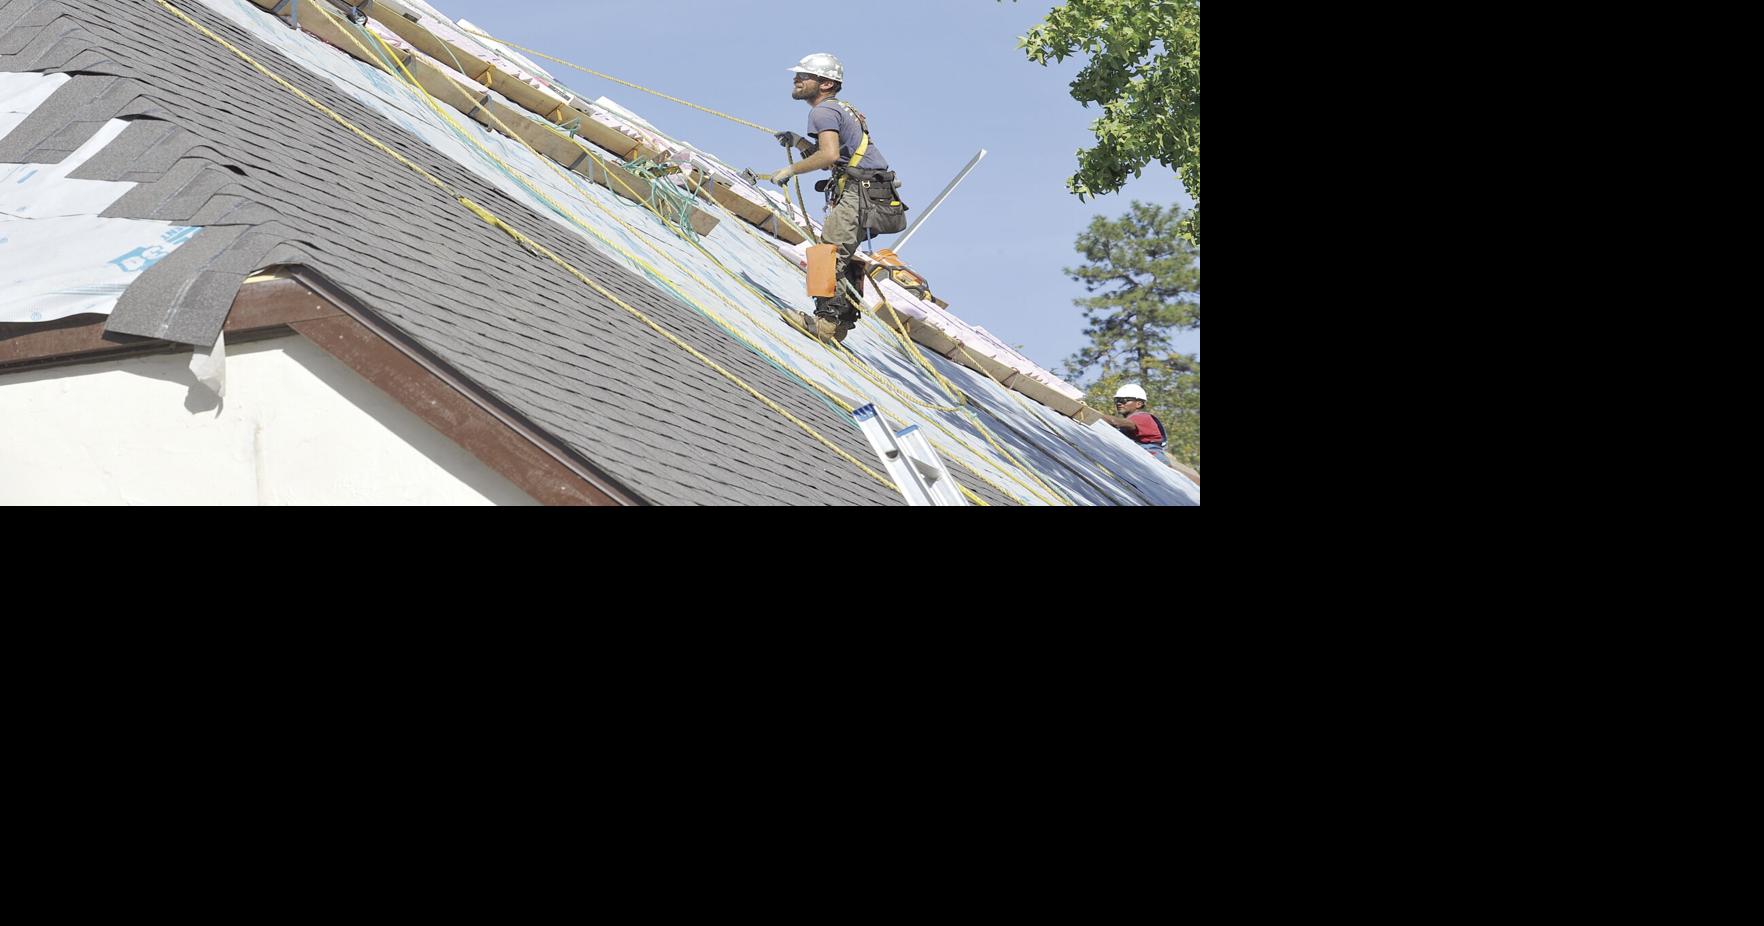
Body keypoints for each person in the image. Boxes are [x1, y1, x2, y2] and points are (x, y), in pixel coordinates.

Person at [767, 53, 903, 342]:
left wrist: (790, 169)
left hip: (859, 192)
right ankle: (840, 325)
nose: (797, 79)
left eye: (805, 76)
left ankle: (825, 324)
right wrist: (799, 141)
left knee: (825, 254)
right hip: (870, 191)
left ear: (826, 83)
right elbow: (834, 159)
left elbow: (827, 155)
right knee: (840, 254)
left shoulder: (822, 112)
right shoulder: (842, 109)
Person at [1097, 383, 1174, 465]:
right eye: (1117, 400)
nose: (1119, 403)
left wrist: (1090, 414)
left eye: (1124, 400)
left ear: (1139, 404)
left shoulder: (1142, 417)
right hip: (1143, 457)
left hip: (1153, 458)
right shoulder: (1129, 421)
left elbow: (1114, 422)